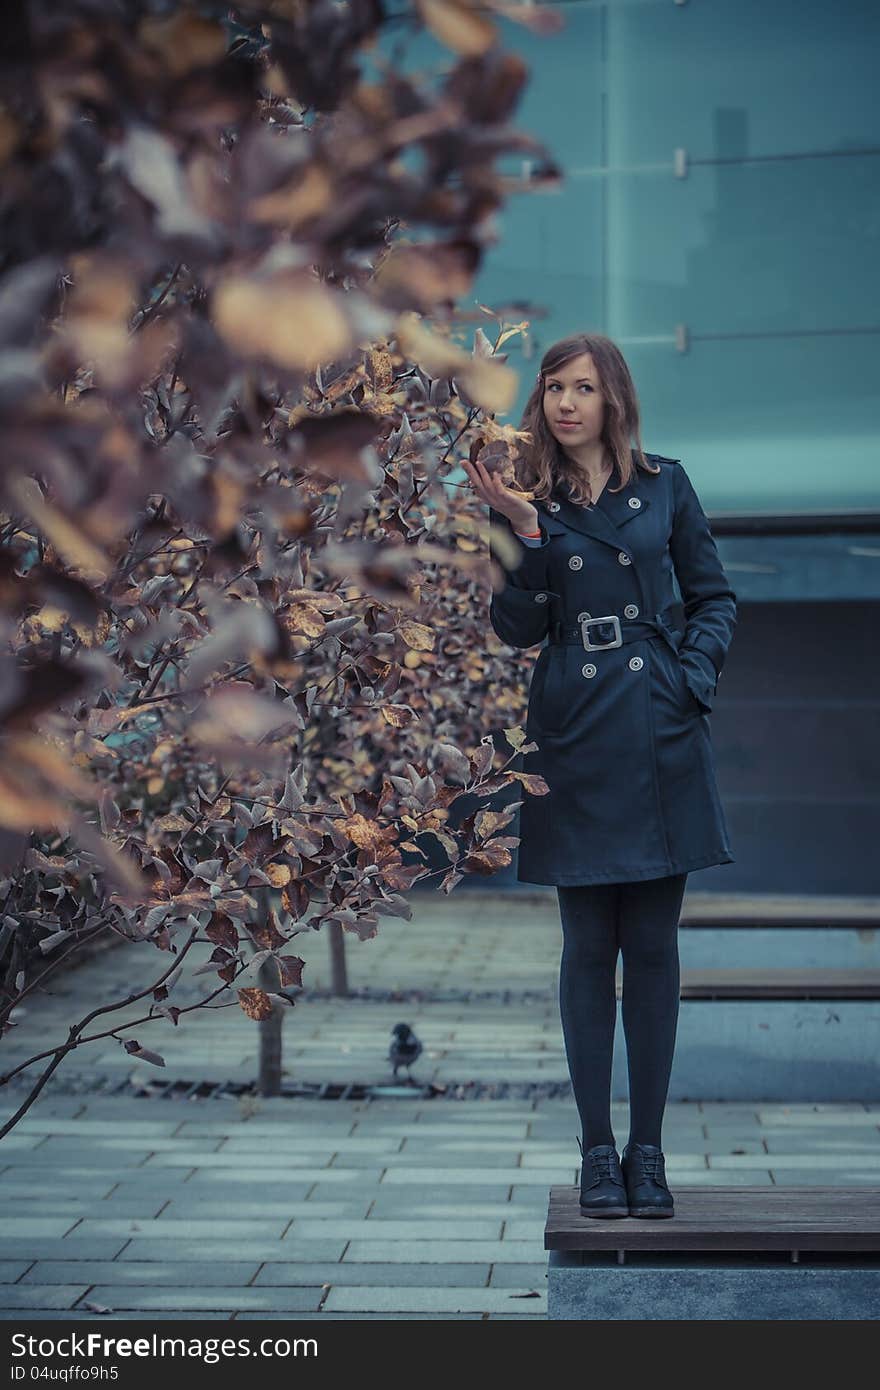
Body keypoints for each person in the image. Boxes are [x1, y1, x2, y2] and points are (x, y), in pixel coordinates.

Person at [462, 332, 737, 1220]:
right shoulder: (522, 500)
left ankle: (648, 1152)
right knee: (588, 951)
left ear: (613, 397)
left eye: (583, 387)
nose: (567, 403)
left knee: (653, 949)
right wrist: (527, 532)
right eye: (553, 389)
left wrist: (690, 678)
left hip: (659, 728)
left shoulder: (665, 483)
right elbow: (515, 629)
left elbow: (714, 595)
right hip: (576, 734)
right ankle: (596, 1154)